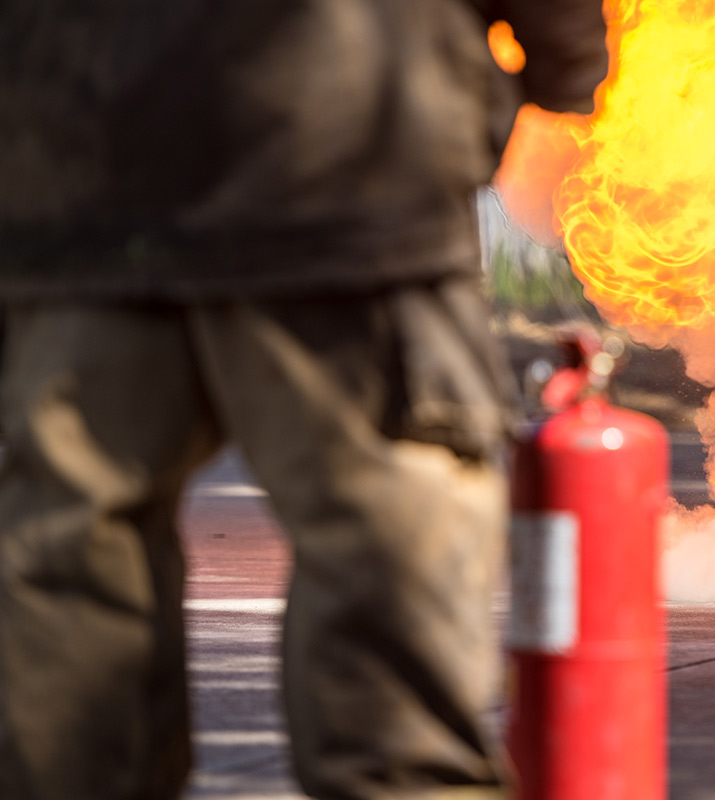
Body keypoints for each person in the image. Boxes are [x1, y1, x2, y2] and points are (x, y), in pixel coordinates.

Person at [0, 1, 607, 797]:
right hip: (344, 181)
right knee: (388, 583)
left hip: (84, 183)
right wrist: (561, 64)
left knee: (70, 596)